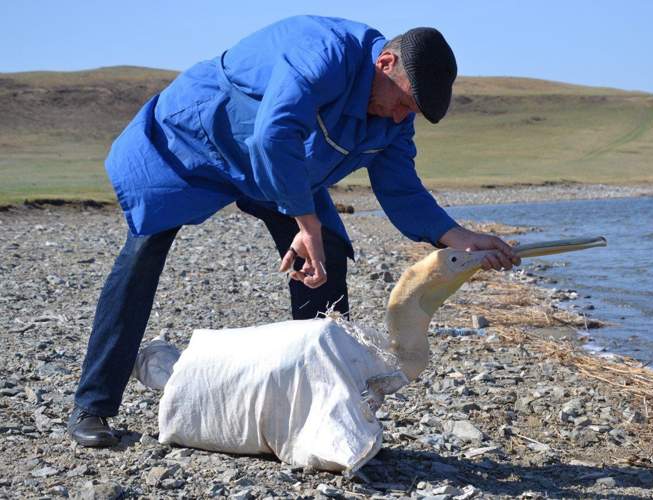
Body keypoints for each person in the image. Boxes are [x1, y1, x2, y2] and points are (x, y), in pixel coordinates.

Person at [68, 15, 520, 447]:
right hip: (198, 138)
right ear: (384, 63)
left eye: (412, 112)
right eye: (403, 101)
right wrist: (307, 224)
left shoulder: (393, 121)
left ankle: (318, 405)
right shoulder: (323, 50)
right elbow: (275, 131)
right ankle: (93, 405)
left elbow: (401, 188)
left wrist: (458, 236)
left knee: (331, 257)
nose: (403, 117)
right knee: (144, 251)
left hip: (277, 166)